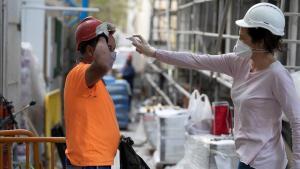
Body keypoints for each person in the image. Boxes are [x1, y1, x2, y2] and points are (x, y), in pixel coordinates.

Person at [132, 3, 300, 169]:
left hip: (266, 162)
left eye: (242, 38)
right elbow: (196, 60)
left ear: (261, 41)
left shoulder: (277, 75)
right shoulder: (239, 62)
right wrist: (153, 52)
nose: (238, 42)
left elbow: (297, 122)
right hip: (245, 156)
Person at [64, 16, 120, 169]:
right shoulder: (79, 73)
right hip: (89, 163)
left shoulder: (93, 80)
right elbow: (103, 63)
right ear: (90, 50)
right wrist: (101, 34)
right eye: (108, 49)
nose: (111, 56)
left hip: (96, 162)